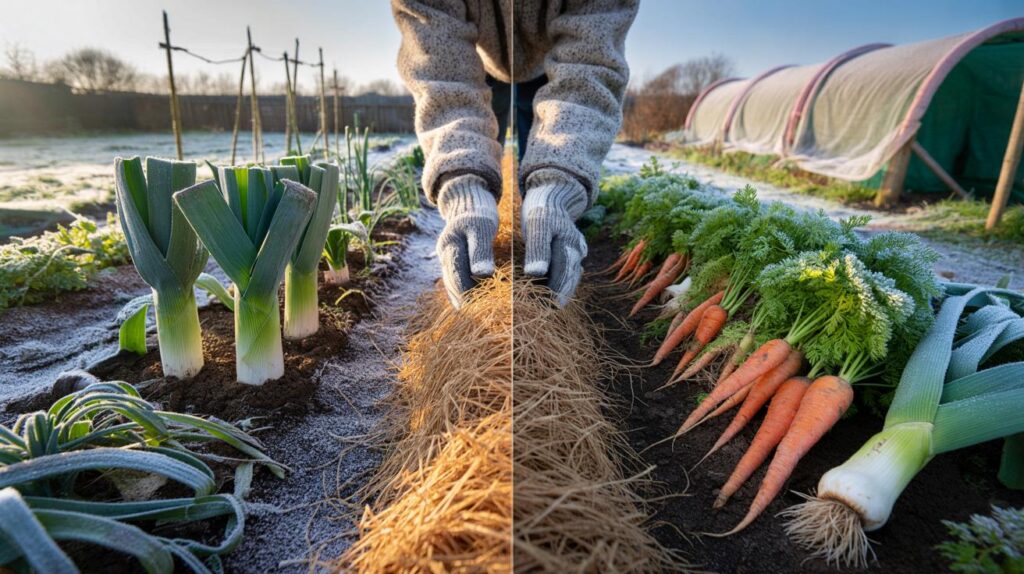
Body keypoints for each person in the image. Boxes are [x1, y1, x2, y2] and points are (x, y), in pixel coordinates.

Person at [392, 0, 638, 308]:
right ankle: (488, 230)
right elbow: (440, 70)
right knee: (480, 154)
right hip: (476, 62)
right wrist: (464, 187)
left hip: (553, 61)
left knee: (538, 161)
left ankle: (541, 230)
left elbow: (591, 65)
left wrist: (556, 188)